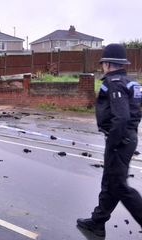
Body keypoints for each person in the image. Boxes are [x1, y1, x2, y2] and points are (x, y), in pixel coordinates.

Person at [77, 43, 142, 237]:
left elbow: (121, 117)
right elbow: (133, 113)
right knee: (111, 182)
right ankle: (97, 222)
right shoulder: (132, 82)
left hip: (119, 140)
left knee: (119, 185)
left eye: (103, 63)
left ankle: (98, 222)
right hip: (127, 138)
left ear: (107, 64)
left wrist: (114, 142)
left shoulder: (113, 83)